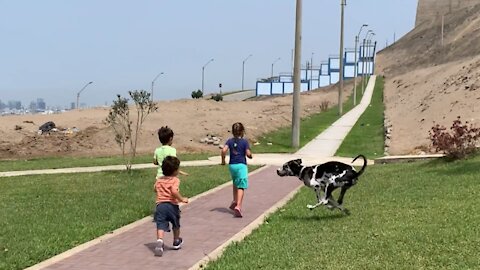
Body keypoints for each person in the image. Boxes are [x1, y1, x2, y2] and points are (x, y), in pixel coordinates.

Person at [153, 156, 189, 257]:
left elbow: (155, 188)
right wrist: (182, 199)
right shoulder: (175, 180)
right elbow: (174, 191)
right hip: (171, 206)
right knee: (175, 223)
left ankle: (160, 240)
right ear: (175, 171)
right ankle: (176, 240)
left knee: (160, 224)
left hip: (160, 206)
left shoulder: (159, 180)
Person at [221, 122, 253, 218]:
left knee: (235, 183)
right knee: (241, 186)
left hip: (232, 166)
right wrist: (250, 156)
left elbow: (223, 150)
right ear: (242, 131)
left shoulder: (229, 141)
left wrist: (223, 160)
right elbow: (248, 153)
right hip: (241, 166)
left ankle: (234, 200)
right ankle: (238, 206)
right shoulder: (244, 142)